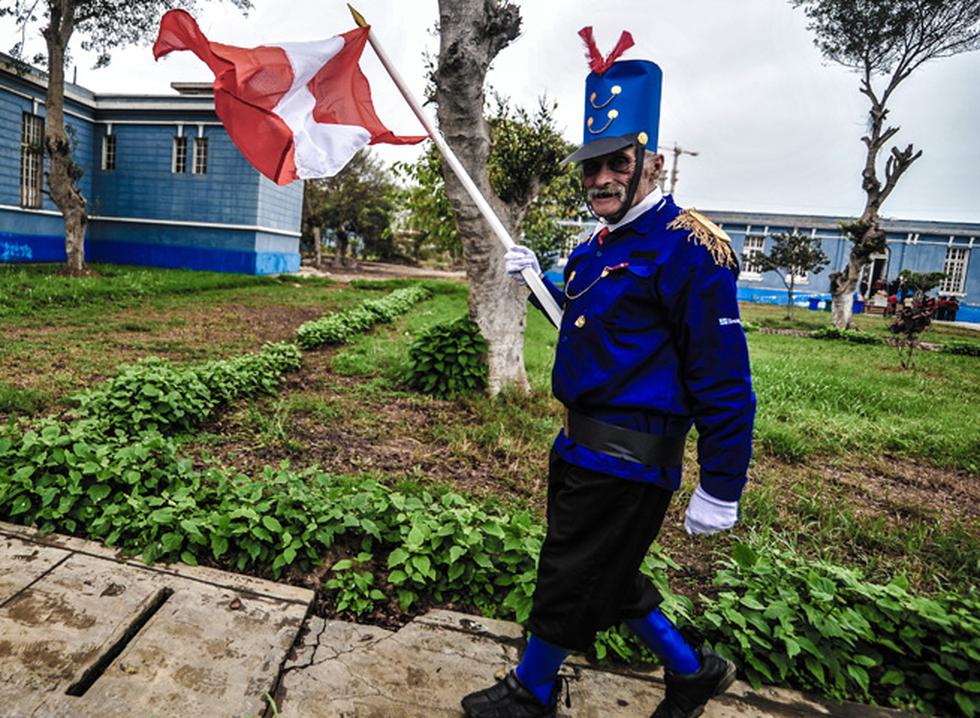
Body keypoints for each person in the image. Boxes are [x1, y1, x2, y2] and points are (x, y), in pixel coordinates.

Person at [461, 28, 755, 718]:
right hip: (578, 445)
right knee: (608, 574)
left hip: (631, 459)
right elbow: (593, 331)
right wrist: (540, 284)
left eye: (616, 163)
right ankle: (693, 671)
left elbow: (723, 379)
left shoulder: (691, 249)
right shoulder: (594, 249)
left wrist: (722, 485)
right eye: (590, 167)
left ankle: (531, 691)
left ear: (652, 164)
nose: (600, 179)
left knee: (569, 573)